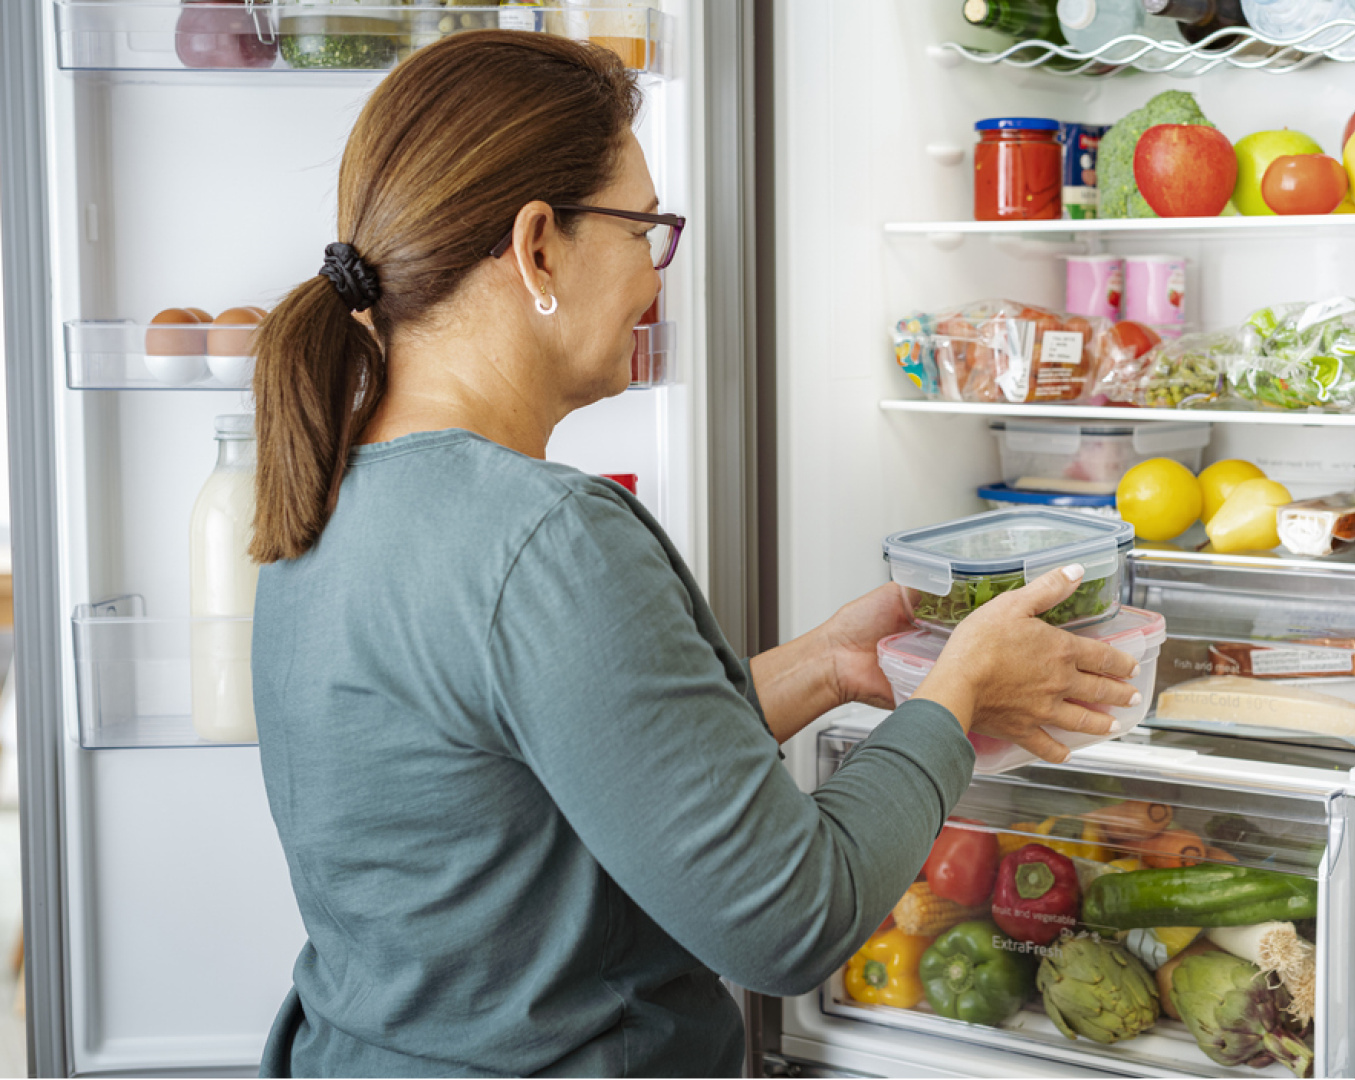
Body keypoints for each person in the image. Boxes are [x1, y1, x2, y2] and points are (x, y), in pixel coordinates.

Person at [245, 30, 1140, 1078]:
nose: (653, 274)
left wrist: (825, 668)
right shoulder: (545, 538)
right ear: (538, 248)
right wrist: (959, 693)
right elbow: (793, 918)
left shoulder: (326, 491)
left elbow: (569, 777)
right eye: (644, 230)